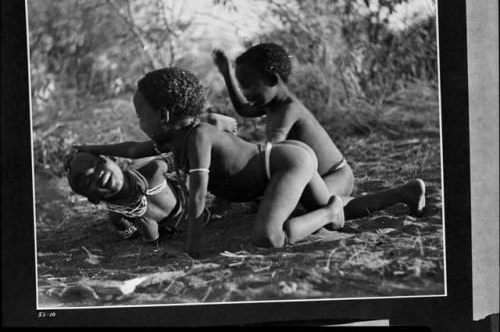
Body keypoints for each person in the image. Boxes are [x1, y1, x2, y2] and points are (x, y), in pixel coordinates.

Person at [75, 67, 424, 258]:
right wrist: (91, 145)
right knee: (336, 206)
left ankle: (330, 214)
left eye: (140, 115)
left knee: (269, 236)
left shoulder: (197, 137)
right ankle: (404, 193)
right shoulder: (171, 137)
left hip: (284, 164)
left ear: (164, 115)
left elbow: (198, 196)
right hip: (287, 161)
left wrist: (193, 246)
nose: (139, 123)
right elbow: (134, 149)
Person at [212, 44, 426, 220]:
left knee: (326, 208)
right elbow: (242, 109)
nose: (245, 93)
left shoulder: (289, 108)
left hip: (335, 174)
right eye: (242, 86)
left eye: (248, 85)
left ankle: (404, 192)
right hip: (311, 177)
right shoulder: (270, 105)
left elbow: (272, 149)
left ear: (272, 79)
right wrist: (226, 74)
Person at [66, 151, 207, 244]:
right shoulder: (118, 217)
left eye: (97, 165)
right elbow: (134, 237)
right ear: (93, 199)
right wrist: (151, 237)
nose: (98, 174)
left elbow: (189, 155)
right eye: (88, 181)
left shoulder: (155, 170)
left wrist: (192, 191)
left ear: (112, 158)